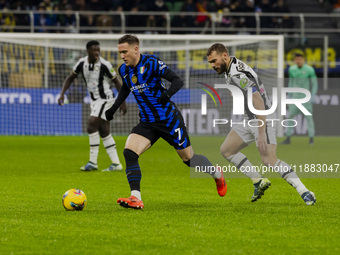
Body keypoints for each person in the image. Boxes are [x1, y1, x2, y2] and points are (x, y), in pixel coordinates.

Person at [105, 34, 227, 209]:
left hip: (169, 120)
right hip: (147, 122)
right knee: (129, 152)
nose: (122, 56)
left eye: (125, 52)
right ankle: (135, 197)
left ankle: (216, 174)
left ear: (136, 49)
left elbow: (177, 80)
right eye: (120, 53)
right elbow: (126, 87)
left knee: (189, 160)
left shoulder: (151, 63)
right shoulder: (124, 70)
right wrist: (114, 108)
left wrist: (166, 95)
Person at [206, 43, 316, 205]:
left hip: (262, 117)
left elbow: (257, 99)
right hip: (250, 119)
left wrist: (261, 132)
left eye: (214, 61)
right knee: (227, 150)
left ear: (225, 55)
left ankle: (305, 192)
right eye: (210, 63)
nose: (213, 65)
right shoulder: (231, 67)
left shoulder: (237, 74)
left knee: (269, 159)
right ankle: (258, 180)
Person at [58, 40, 126, 172]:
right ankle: (116, 164)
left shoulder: (105, 64)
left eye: (98, 50)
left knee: (91, 125)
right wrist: (62, 94)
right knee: (104, 131)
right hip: (94, 101)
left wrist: (122, 102)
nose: (97, 52)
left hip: (106, 99)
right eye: (94, 50)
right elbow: (70, 78)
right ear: (88, 50)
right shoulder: (82, 63)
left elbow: (117, 82)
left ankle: (92, 163)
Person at [281, 53, 318, 145]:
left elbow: (314, 83)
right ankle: (288, 138)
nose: (298, 61)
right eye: (297, 60)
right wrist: (289, 95)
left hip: (306, 97)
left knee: (309, 117)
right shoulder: (292, 69)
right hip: (295, 96)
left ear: (303, 60)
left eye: (300, 59)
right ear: (295, 60)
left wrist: (313, 95)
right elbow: (291, 82)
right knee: (290, 116)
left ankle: (311, 138)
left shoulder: (309, 70)